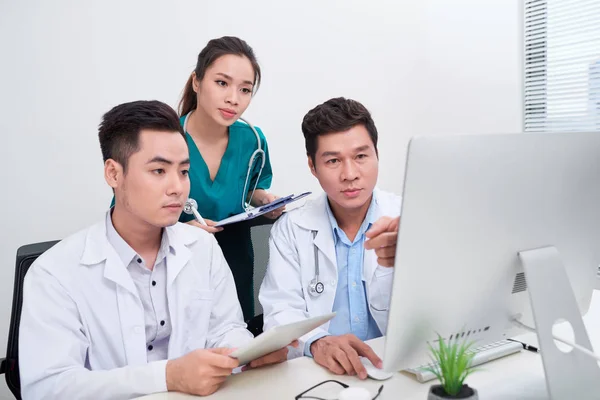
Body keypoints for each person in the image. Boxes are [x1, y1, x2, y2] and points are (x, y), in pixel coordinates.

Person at [19, 100, 293, 400]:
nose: (177, 187)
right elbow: (47, 388)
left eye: (184, 171)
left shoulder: (202, 247)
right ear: (113, 174)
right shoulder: (54, 272)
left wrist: (248, 354)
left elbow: (226, 328)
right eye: (159, 170)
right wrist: (168, 376)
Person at [259, 97, 401, 380]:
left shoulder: (407, 218)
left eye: (361, 156)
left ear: (376, 155)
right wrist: (317, 343)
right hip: (319, 373)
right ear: (313, 166)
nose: (350, 175)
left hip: (395, 366)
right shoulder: (292, 227)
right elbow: (280, 311)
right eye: (333, 161)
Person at [178, 36, 283, 322]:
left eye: (245, 89)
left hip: (234, 258)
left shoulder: (253, 140)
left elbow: (251, 188)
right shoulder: (164, 138)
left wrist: (265, 200)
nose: (233, 99)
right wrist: (182, 230)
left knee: (238, 344)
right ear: (196, 82)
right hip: (176, 262)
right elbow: (128, 212)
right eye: (222, 83)